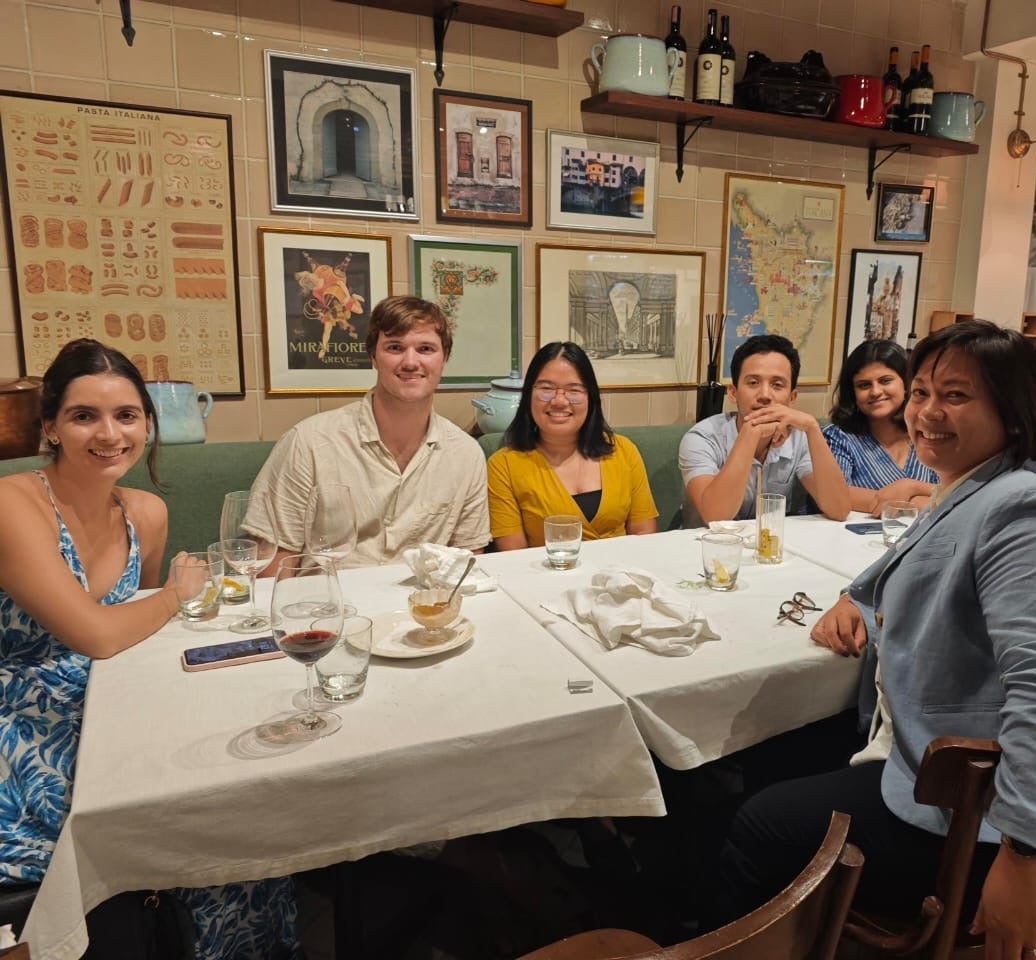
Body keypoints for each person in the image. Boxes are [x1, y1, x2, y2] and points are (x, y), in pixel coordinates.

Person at [716, 321, 1036, 960]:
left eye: (955, 396)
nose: (927, 412)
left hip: (971, 813)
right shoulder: (976, 483)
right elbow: (912, 556)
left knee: (757, 822)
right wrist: (857, 596)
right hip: (922, 751)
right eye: (921, 392)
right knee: (766, 751)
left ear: (1014, 409)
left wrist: (1027, 851)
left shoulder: (1027, 512)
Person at [0, 339, 299, 958]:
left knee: (244, 798)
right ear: (51, 426)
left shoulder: (147, 512)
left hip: (116, 697)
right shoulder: (10, 505)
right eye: (85, 416)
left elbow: (134, 638)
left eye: (127, 415)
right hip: (24, 718)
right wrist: (178, 595)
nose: (109, 434)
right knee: (166, 819)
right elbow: (99, 631)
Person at [247, 295, 490, 565]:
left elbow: (466, 559)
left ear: (444, 358)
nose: (410, 362)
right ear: (373, 356)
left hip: (424, 604)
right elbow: (274, 559)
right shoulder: (309, 442)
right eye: (395, 347)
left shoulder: (466, 454)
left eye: (425, 349)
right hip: (328, 602)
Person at [488, 342, 659, 548]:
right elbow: (512, 555)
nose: (559, 401)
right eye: (546, 388)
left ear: (591, 398)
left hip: (620, 575)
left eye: (574, 390)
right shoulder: (503, 466)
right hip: (546, 577)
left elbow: (644, 534)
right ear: (528, 396)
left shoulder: (624, 451)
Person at [678, 334, 849, 526]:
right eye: (753, 383)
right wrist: (751, 435)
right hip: (707, 548)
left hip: (770, 547)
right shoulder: (702, 438)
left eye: (777, 385)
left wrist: (812, 428)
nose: (765, 395)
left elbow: (839, 509)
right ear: (733, 393)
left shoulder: (799, 438)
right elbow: (716, 517)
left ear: (792, 397)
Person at [823, 340, 936, 515]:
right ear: (853, 393)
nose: (875, 391)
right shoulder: (839, 437)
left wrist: (911, 487)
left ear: (907, 384)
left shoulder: (930, 434)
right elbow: (838, 496)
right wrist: (916, 502)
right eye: (864, 385)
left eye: (885, 381)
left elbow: (953, 492)